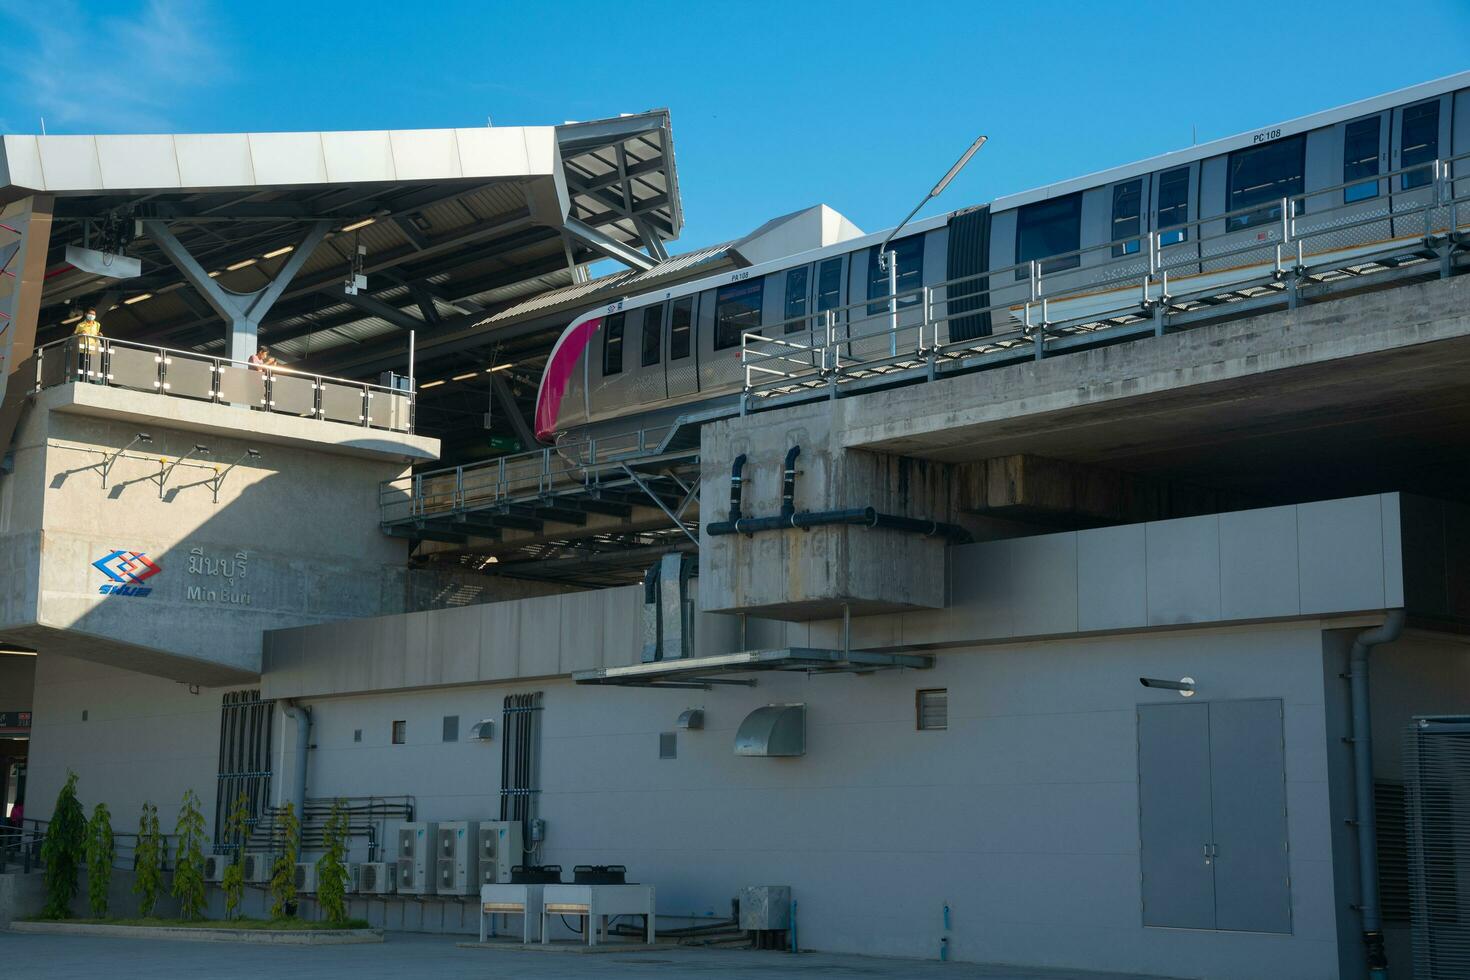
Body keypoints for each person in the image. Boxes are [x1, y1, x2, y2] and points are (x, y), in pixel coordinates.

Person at [72, 308, 102, 380]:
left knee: (92, 366)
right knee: (82, 365)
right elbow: (74, 335)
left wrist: (99, 334)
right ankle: (82, 380)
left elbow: (96, 334)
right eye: (90, 314)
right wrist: (80, 333)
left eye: (93, 314)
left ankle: (91, 381)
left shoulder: (97, 324)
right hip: (83, 348)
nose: (92, 315)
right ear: (86, 314)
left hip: (93, 349)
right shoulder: (80, 325)